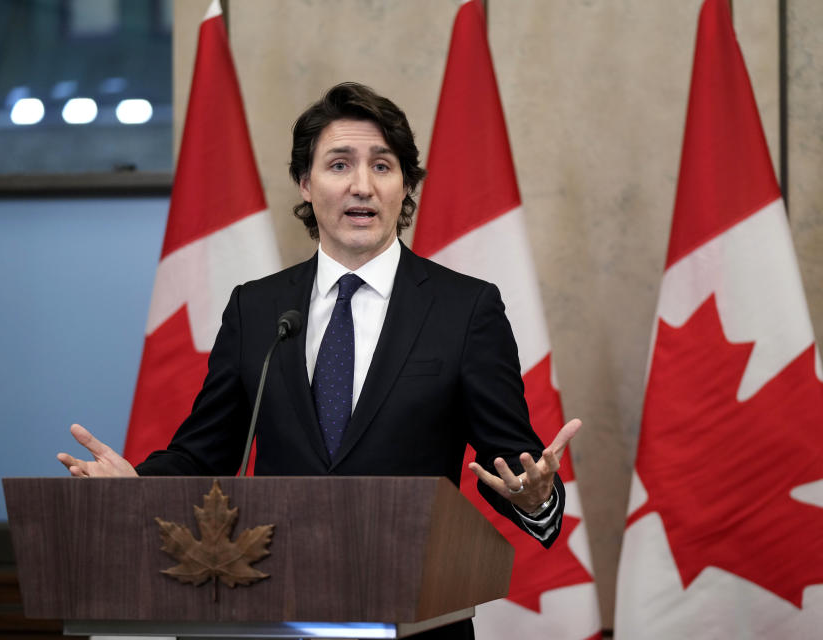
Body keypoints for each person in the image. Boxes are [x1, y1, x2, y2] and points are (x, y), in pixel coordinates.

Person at [58, 82, 581, 639]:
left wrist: (537, 494)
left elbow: (513, 462)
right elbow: (203, 453)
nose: (363, 185)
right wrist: (134, 484)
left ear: (405, 186)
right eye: (339, 164)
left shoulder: (466, 308)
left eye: (383, 166)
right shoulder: (256, 308)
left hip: (415, 616)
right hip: (271, 612)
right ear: (305, 184)